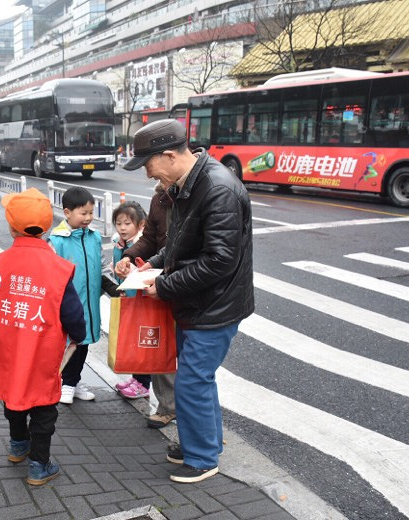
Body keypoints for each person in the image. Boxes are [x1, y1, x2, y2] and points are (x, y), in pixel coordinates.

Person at [121, 119, 254, 484]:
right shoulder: (184, 185)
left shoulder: (216, 189)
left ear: (168, 155)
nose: (148, 174)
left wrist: (162, 287)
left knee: (193, 381)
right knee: (198, 380)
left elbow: (220, 260)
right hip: (197, 301)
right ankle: (202, 442)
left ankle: (203, 457)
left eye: (148, 164)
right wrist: (153, 264)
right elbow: (178, 243)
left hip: (215, 304)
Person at [0, 188, 86, 486]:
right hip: (42, 351)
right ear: (48, 227)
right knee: (43, 406)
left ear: (12, 226)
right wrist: (78, 336)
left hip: (6, 348)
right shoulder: (58, 269)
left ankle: (18, 445)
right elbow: (72, 314)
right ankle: (39, 464)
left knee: (12, 397)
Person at [115, 184, 176, 428]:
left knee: (192, 361)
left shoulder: (202, 193)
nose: (149, 174)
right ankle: (167, 407)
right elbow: (152, 239)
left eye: (152, 165)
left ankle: (197, 421)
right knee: (160, 347)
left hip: (187, 286)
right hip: (161, 283)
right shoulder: (159, 199)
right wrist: (128, 257)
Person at [47, 187, 102, 405]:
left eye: (91, 212)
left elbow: (99, 266)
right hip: (69, 305)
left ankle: (73, 382)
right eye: (83, 213)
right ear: (67, 212)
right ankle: (66, 384)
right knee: (71, 344)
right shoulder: (57, 241)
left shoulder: (95, 237)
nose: (88, 218)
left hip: (89, 304)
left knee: (84, 343)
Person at [107, 201, 153, 400]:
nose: (122, 228)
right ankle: (136, 379)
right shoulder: (120, 242)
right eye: (119, 223)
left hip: (142, 302)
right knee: (133, 341)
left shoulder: (141, 245)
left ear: (141, 224)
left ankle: (143, 384)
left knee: (143, 343)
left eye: (127, 223)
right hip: (128, 300)